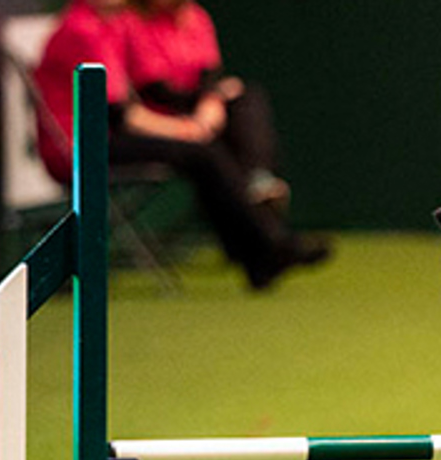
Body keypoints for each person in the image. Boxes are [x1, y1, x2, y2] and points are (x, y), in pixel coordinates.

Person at [34, 0, 329, 290]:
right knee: (202, 153)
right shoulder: (84, 30)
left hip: (110, 135)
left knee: (231, 117)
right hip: (83, 148)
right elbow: (120, 111)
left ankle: (261, 230)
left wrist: (207, 104)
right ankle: (269, 243)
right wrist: (184, 128)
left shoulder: (118, 24)